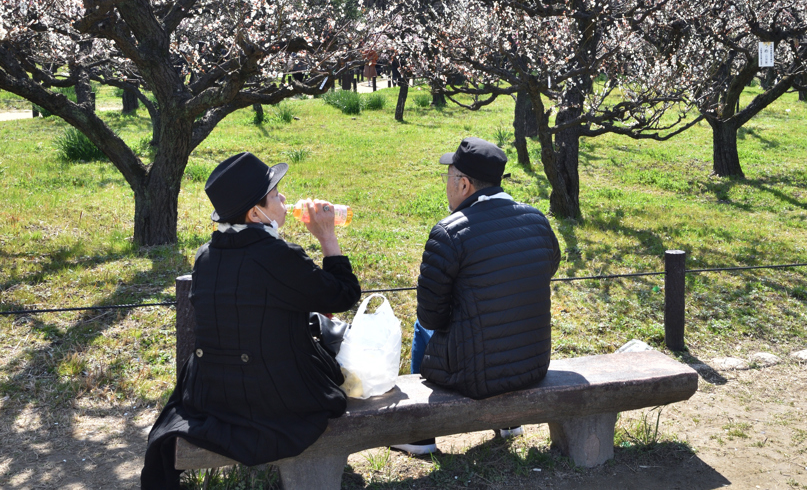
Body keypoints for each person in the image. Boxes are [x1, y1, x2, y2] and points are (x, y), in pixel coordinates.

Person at [141, 152, 361, 489]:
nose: (284, 199)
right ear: (255, 213)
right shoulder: (276, 256)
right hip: (274, 401)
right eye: (274, 195)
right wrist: (327, 237)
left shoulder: (205, 256)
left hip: (212, 397)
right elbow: (344, 295)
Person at [392, 137, 561, 455]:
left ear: (464, 184)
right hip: (533, 365)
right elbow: (546, 268)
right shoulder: (537, 220)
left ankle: (420, 436)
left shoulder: (449, 232)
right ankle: (510, 422)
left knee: (422, 327)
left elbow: (432, 317)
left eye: (448, 177)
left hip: (474, 376)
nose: (446, 185)